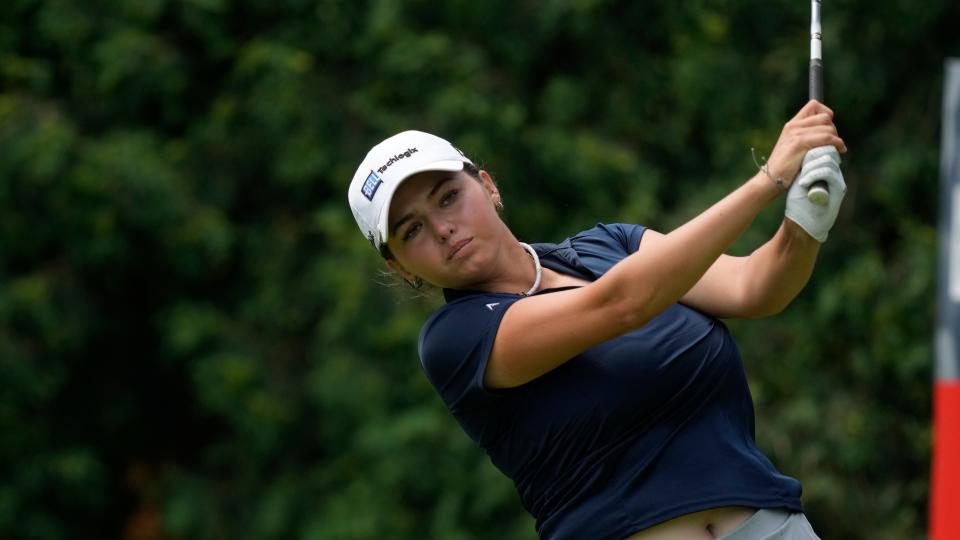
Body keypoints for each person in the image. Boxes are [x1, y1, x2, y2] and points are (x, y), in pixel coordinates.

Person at [346, 100, 847, 540]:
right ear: (399, 267)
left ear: (487, 185)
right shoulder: (455, 340)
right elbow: (622, 304)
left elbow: (753, 287)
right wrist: (769, 180)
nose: (442, 228)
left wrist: (803, 223)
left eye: (447, 197)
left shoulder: (611, 246)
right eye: (412, 230)